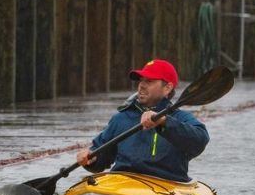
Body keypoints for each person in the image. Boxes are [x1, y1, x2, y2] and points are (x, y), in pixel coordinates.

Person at [76, 59, 209, 182]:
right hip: (123, 182)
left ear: (167, 88)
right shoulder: (121, 118)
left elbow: (200, 140)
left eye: (149, 81)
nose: (141, 86)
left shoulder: (180, 118)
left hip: (166, 184)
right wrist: (91, 158)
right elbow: (102, 158)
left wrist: (163, 121)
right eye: (141, 80)